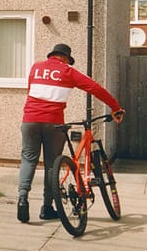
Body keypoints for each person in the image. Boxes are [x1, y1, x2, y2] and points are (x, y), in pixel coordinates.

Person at [17, 43, 125, 223]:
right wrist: (115, 107)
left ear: (52, 55)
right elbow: (95, 88)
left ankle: (22, 199)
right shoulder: (68, 71)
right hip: (53, 122)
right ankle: (47, 207)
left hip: (29, 120)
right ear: (66, 58)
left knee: (28, 159)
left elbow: (30, 91)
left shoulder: (36, 68)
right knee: (52, 165)